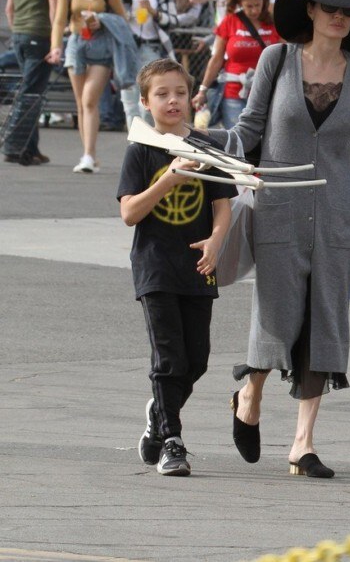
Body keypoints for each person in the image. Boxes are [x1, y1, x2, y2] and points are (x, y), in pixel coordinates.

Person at [204, 0, 350, 478]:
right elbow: (249, 127)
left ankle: (303, 445)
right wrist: (198, 149)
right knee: (277, 314)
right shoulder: (277, 59)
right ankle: (249, 394)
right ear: (309, 10)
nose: (339, 15)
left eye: (348, 9)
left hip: (335, 212)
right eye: (329, 5)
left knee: (324, 322)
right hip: (279, 206)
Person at [117, 58, 235, 477]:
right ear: (146, 101)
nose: (172, 101)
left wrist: (218, 240)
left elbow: (223, 205)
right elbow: (130, 212)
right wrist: (168, 178)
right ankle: (172, 440)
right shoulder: (142, 148)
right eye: (162, 94)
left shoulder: (207, 147)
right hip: (156, 267)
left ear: (191, 97)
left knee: (197, 359)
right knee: (169, 359)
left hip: (198, 265)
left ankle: (158, 416)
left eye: (180, 93)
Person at [46, 0, 128, 174]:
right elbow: (60, 21)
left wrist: (102, 20)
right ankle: (87, 153)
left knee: (90, 100)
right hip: (75, 43)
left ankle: (89, 156)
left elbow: (123, 19)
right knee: (81, 103)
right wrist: (55, 47)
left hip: (100, 46)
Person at [3, 0, 63, 166]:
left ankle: (31, 147)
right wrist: (55, 43)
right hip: (40, 36)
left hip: (19, 35)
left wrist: (18, 29)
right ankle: (15, 147)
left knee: (32, 92)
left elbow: (10, 8)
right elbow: (54, 11)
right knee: (30, 94)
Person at [191, 0, 280, 128]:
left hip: (267, 92)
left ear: (264, 2)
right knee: (236, 138)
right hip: (234, 92)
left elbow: (285, 56)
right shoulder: (230, 22)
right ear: (240, 4)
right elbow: (217, 59)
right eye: (248, 6)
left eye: (257, 5)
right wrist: (203, 90)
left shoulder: (274, 23)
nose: (254, 10)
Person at [114, 0, 181, 127]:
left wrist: (154, 12)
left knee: (148, 102)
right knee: (128, 99)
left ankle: (147, 145)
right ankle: (134, 145)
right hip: (126, 47)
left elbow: (174, 20)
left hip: (151, 47)